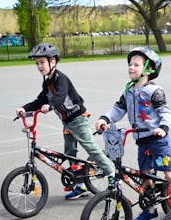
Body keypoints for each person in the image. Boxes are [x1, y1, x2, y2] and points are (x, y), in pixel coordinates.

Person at [94, 47, 171, 220]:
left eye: (136, 64)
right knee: (144, 178)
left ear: (148, 69)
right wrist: (105, 119)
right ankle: (150, 211)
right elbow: (118, 109)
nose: (131, 67)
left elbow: (165, 112)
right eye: (130, 64)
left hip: (158, 140)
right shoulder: (129, 91)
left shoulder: (154, 91)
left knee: (169, 175)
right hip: (142, 141)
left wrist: (163, 127)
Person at [15, 43, 115, 200]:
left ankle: (111, 172)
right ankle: (81, 185)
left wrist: (51, 105)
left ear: (53, 61)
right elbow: (40, 100)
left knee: (90, 148)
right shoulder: (47, 83)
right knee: (70, 153)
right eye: (37, 63)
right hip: (67, 122)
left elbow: (60, 96)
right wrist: (24, 108)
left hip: (79, 119)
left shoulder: (61, 79)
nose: (39, 66)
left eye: (42, 62)